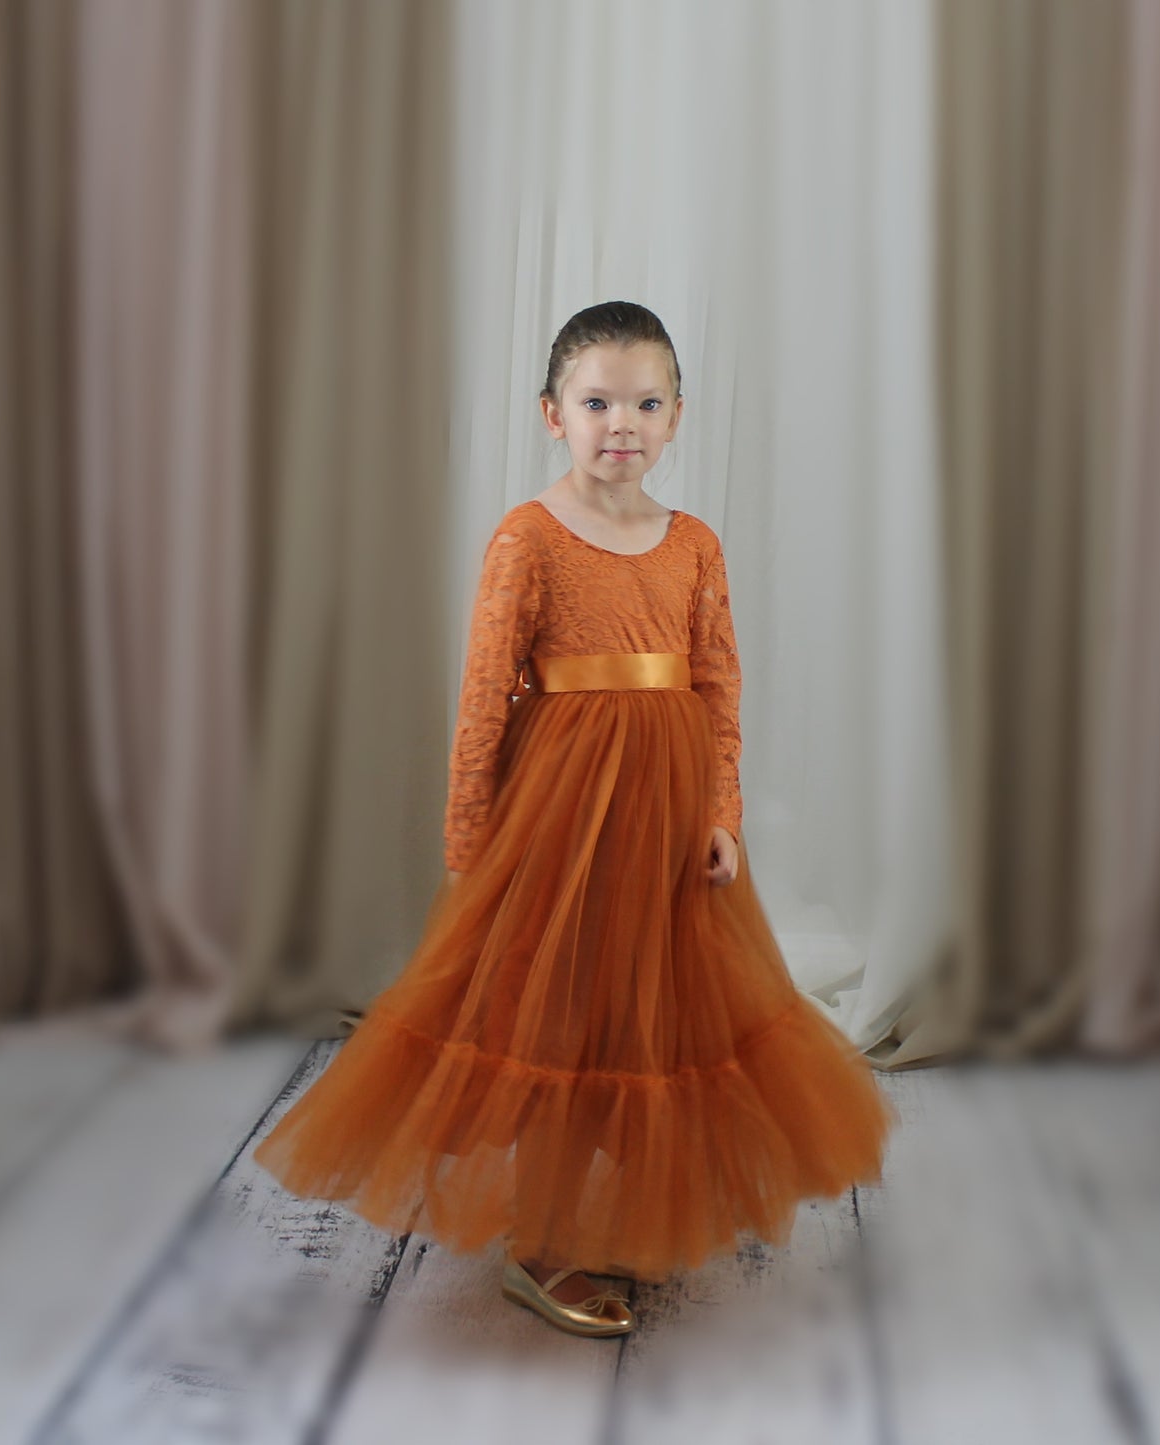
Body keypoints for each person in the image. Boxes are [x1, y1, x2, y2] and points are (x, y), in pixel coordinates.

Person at [253, 301, 892, 1338]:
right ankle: (544, 1238)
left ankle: (632, 1204)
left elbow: (719, 681)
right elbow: (482, 695)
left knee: (653, 1000)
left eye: (645, 401)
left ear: (677, 416)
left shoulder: (692, 544)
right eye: (596, 402)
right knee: (563, 1001)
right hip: (560, 810)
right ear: (553, 413)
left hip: (669, 812)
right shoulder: (529, 537)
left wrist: (722, 807)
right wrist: (472, 842)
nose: (621, 423)